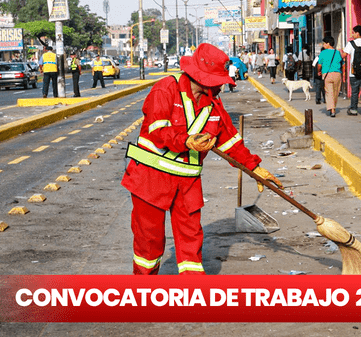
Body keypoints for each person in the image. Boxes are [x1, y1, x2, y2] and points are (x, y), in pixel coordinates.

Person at [121, 43, 283, 275]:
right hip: (150, 179)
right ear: (203, 77)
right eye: (218, 80)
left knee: (191, 245)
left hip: (186, 184)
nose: (221, 85)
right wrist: (186, 141)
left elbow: (230, 143)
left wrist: (254, 168)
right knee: (149, 243)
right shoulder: (165, 89)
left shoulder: (213, 105)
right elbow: (157, 129)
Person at [316, 36, 345, 118]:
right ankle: (333, 108)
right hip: (337, 74)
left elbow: (319, 65)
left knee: (329, 92)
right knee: (336, 92)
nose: (323, 45)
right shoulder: (337, 52)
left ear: (328, 43)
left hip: (327, 75)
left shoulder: (323, 53)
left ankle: (332, 109)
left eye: (324, 43)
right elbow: (342, 63)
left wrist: (319, 71)